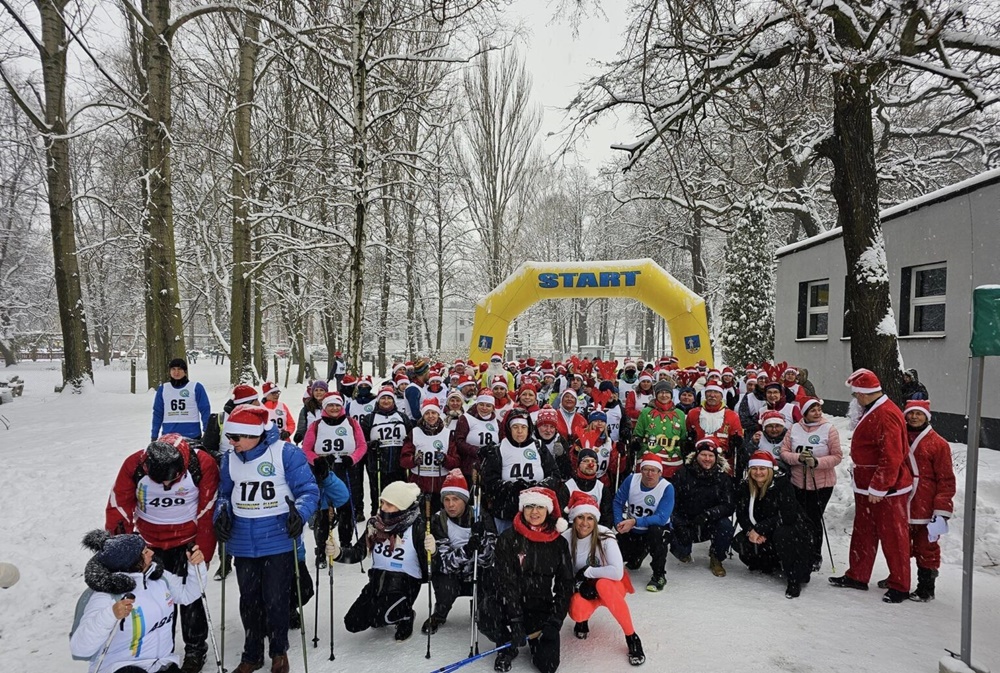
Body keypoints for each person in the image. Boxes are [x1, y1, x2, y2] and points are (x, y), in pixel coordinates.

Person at [213, 405, 320, 673]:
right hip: (243, 541)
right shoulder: (229, 459)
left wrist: (300, 513)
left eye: (236, 437)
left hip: (277, 538)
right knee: (249, 600)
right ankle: (252, 654)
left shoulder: (286, 453)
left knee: (276, 599)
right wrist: (221, 513)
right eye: (229, 437)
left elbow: (308, 490)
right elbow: (224, 494)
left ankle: (278, 651)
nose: (231, 443)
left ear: (253, 435)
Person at [104, 434, 220, 673]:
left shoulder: (202, 464)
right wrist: (123, 552)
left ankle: (195, 649)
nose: (166, 485)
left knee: (191, 598)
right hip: (149, 545)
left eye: (171, 480)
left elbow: (207, 511)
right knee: (156, 600)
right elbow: (119, 508)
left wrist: (204, 554)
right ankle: (161, 650)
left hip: (186, 543)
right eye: (160, 481)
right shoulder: (134, 465)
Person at [829, 369, 914, 603]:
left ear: (864, 393)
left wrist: (880, 486)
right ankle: (858, 575)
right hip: (866, 485)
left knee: (893, 536)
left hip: (886, 489)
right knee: (864, 532)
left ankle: (900, 584)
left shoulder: (886, 414)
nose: (855, 398)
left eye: (856, 394)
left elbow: (892, 455)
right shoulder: (873, 409)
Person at [71, 530, 207, 673]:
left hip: (161, 664)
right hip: (121, 668)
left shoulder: (158, 577)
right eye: (145, 552)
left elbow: (188, 594)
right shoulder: (106, 596)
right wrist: (110, 615)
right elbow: (80, 647)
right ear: (131, 562)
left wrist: (196, 567)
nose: (152, 553)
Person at [482, 487, 573, 673]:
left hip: (540, 606)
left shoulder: (559, 543)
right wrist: (515, 619)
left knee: (548, 666)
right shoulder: (508, 538)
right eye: (529, 506)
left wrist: (555, 620)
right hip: (510, 603)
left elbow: (565, 584)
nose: (534, 512)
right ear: (522, 508)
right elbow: (505, 581)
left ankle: (533, 640)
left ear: (548, 510)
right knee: (486, 613)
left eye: (540, 507)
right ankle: (507, 644)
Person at [336, 481, 430, 642]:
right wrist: (338, 553)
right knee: (352, 623)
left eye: (390, 505)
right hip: (377, 582)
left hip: (404, 586)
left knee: (379, 617)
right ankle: (383, 611)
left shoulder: (417, 528)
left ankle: (406, 615)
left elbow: (430, 568)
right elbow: (357, 553)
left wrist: (432, 552)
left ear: (402, 507)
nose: (383, 508)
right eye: (382, 502)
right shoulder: (375, 525)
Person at [563, 491, 644, 666]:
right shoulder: (566, 538)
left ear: (596, 520)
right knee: (577, 608)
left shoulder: (605, 534)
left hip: (612, 585)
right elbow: (563, 573)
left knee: (604, 585)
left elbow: (616, 572)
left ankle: (632, 637)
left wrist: (588, 572)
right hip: (585, 586)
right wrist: (579, 585)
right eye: (580, 517)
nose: (585, 523)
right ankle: (582, 621)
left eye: (590, 518)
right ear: (573, 519)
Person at [423, 470, 498, 634]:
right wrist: (468, 549)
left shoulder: (481, 516)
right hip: (452, 574)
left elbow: (489, 559)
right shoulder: (438, 520)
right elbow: (445, 563)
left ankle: (481, 608)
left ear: (464, 500)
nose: (450, 505)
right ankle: (439, 614)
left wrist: (482, 543)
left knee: (491, 578)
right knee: (445, 585)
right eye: (446, 499)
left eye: (455, 499)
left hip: (477, 570)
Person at [898, 399, 956, 602]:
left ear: (927, 417)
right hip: (902, 499)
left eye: (919, 413)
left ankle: (926, 587)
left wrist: (941, 509)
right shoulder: (899, 436)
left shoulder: (938, 444)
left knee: (926, 547)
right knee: (899, 545)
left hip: (926, 504)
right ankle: (898, 579)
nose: (914, 417)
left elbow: (946, 480)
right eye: (911, 413)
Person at [734, 451, 814, 598]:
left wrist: (760, 529)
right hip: (762, 530)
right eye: (754, 468)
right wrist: (750, 531)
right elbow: (741, 513)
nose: (758, 472)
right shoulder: (745, 487)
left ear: (770, 469)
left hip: (788, 529)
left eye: (762, 468)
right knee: (739, 542)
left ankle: (794, 578)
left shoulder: (782, 485)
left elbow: (788, 515)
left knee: (783, 535)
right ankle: (768, 564)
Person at [779, 397, 843, 571]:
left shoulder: (829, 429)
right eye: (813, 410)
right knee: (798, 518)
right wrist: (798, 458)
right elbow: (784, 452)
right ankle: (799, 549)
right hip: (797, 481)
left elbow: (837, 456)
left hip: (821, 484)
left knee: (813, 518)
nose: (817, 413)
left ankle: (815, 554)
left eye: (819, 409)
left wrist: (817, 462)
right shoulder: (794, 428)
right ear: (804, 413)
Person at [301, 392, 368, 547]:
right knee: (324, 511)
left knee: (346, 509)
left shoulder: (351, 423)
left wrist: (352, 458)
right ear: (324, 407)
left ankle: (345, 544)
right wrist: (317, 460)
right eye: (330, 405)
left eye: (337, 405)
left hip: (346, 468)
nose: (334, 408)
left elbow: (362, 445)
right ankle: (322, 547)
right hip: (324, 470)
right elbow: (306, 449)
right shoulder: (316, 425)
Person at [481, 409, 560, 533]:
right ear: (509, 429)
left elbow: (554, 475)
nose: (519, 431)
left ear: (529, 429)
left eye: (523, 427)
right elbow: (490, 481)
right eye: (515, 427)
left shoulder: (538, 446)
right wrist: (511, 488)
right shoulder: (498, 449)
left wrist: (539, 487)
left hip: (536, 510)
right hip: (507, 510)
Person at [669, 438, 735, 578]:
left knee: (726, 526)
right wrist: (679, 524)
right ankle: (684, 550)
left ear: (716, 458)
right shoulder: (682, 474)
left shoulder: (723, 478)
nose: (707, 459)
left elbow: (728, 506)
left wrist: (708, 515)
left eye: (711, 456)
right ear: (696, 456)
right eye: (703, 455)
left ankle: (716, 557)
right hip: (686, 520)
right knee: (681, 552)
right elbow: (672, 502)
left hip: (710, 521)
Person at [613, 453, 675, 592]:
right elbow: (618, 501)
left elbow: (661, 517)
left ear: (660, 472)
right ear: (640, 470)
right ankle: (637, 555)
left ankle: (659, 575)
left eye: (653, 470)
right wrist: (618, 522)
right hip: (633, 529)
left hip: (656, 530)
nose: (649, 474)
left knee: (656, 532)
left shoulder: (667, 488)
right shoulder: (631, 480)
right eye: (646, 469)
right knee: (618, 552)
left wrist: (635, 521)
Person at [400, 398, 460, 513]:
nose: (430, 416)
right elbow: (403, 460)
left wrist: (445, 459)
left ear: (438, 414)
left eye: (433, 413)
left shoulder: (447, 434)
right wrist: (414, 460)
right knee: (420, 516)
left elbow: (456, 461)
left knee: (438, 516)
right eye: (427, 413)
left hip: (440, 483)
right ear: (423, 416)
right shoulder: (415, 432)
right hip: (419, 482)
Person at [361, 386, 412, 515]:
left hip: (398, 463)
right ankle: (376, 515)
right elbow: (361, 441)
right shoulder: (370, 418)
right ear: (378, 400)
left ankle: (399, 516)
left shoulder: (402, 417)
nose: (386, 401)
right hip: (377, 463)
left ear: (393, 400)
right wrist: (370, 445)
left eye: (389, 398)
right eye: (383, 398)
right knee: (378, 493)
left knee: (398, 493)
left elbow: (411, 436)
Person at [685, 383, 744, 479]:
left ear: (722, 396)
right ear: (705, 394)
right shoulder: (693, 413)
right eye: (709, 392)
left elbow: (738, 444)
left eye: (716, 392)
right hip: (698, 463)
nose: (712, 395)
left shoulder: (732, 416)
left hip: (723, 464)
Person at [631, 380, 687, 479]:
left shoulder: (680, 414)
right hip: (650, 456)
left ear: (671, 395)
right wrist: (636, 442)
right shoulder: (646, 412)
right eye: (661, 392)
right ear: (656, 395)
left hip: (673, 458)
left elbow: (683, 438)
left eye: (667, 392)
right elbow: (637, 434)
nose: (664, 395)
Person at [151, 358, 211, 442]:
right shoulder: (163, 389)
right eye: (173, 369)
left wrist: (207, 431)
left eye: (179, 369)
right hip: (169, 436)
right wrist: (154, 435)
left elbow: (205, 409)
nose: (176, 372)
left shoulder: (196, 387)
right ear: (169, 371)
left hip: (192, 435)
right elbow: (158, 412)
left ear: (185, 371)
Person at [453, 390, 501, 481]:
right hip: (470, 465)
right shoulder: (466, 418)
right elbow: (459, 441)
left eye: (488, 405)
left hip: (490, 467)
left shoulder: (497, 422)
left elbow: (502, 441)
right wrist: (477, 451)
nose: (484, 408)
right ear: (476, 404)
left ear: (493, 407)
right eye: (481, 404)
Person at [564, 447, 614, 528]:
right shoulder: (568, 486)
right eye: (586, 461)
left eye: (593, 461)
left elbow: (607, 518)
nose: (590, 464)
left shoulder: (602, 489)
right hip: (571, 530)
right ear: (578, 465)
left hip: (594, 530)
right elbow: (562, 515)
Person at [292, 381, 327, 445]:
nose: (318, 392)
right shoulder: (307, 408)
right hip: (310, 441)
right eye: (316, 390)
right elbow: (302, 426)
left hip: (327, 441)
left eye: (321, 390)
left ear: (326, 392)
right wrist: (299, 434)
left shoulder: (331, 407)